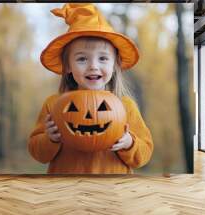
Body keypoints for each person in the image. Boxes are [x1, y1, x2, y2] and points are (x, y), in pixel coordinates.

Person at [28, 3, 153, 174]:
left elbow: (144, 153)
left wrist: (130, 143)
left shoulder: (125, 107)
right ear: (68, 66)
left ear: (115, 64)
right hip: (66, 190)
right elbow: (37, 153)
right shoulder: (54, 105)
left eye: (103, 58)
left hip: (113, 192)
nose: (93, 66)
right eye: (82, 59)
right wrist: (49, 139)